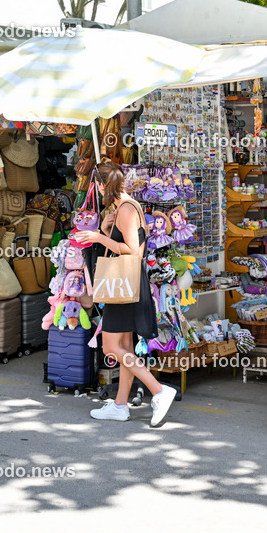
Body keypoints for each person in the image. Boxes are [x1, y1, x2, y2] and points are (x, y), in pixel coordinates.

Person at [72, 161, 176, 426]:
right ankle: (120, 405)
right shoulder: (125, 208)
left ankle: (158, 390)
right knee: (126, 347)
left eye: (95, 185)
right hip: (127, 283)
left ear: (100, 185)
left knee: (111, 346)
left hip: (124, 282)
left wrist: (99, 238)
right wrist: (106, 231)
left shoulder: (127, 209)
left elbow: (133, 250)